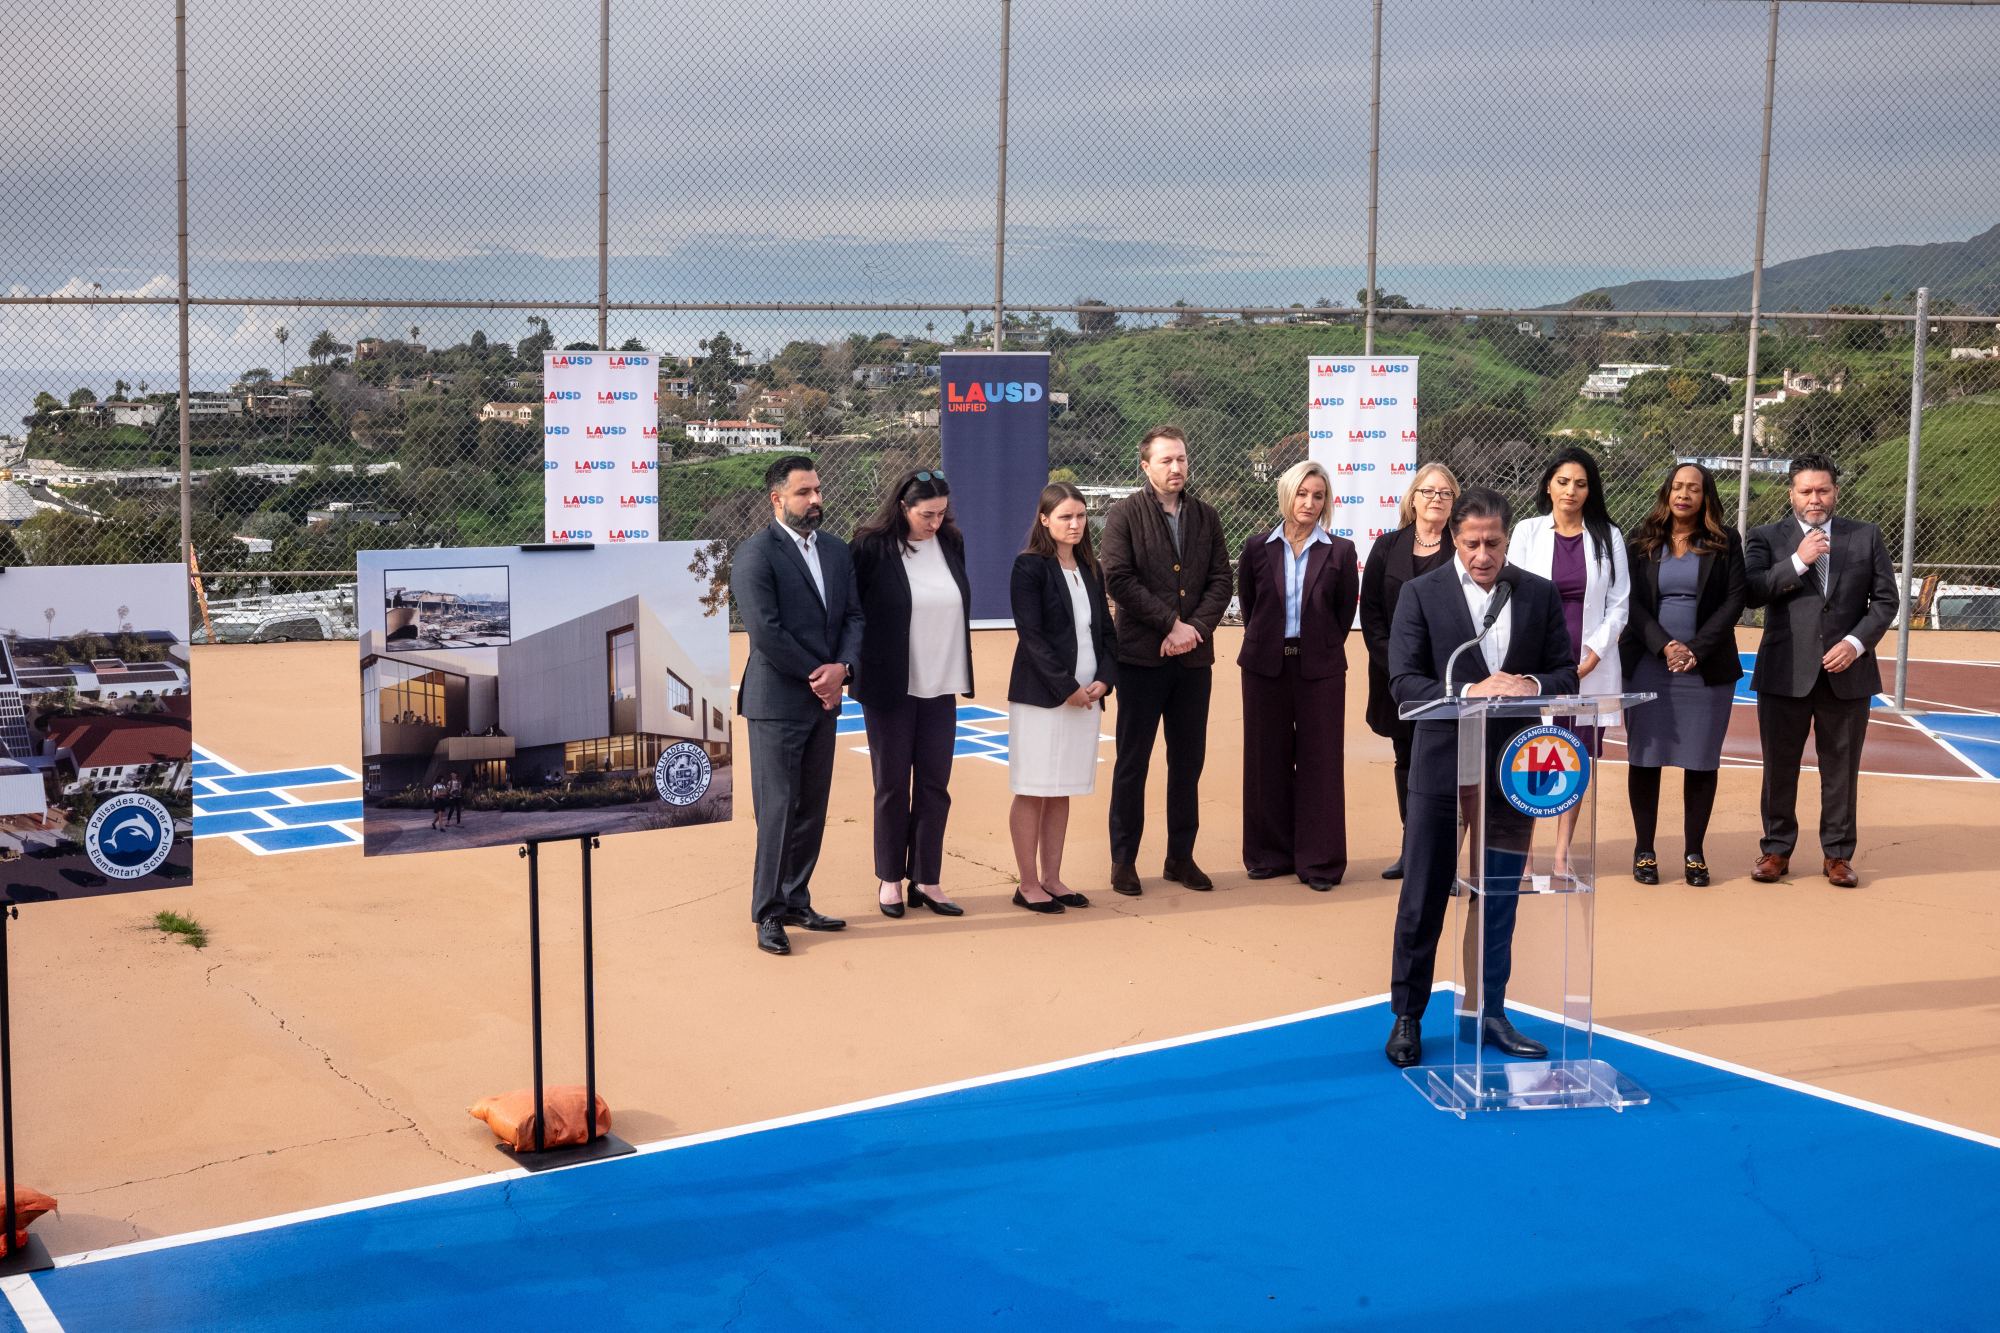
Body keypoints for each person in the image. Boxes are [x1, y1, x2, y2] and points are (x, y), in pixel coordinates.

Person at [1383, 488, 1580, 1069]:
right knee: (1422, 895)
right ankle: (1408, 1017)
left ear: (1507, 539)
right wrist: (1470, 690)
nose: (1482, 554)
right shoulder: (1421, 594)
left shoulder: (1537, 594)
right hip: (1443, 767)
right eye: (1471, 543)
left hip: (1512, 768)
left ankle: (1489, 1010)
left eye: (1493, 543)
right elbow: (1403, 682)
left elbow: (1564, 671)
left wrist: (1532, 687)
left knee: (1499, 894)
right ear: (1453, 540)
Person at [729, 454, 865, 955]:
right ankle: (767, 913)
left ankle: (796, 899)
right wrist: (820, 675)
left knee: (812, 808)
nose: (815, 501)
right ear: (777, 498)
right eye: (804, 492)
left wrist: (843, 669)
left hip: (824, 700)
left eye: (817, 491)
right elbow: (766, 632)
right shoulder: (755, 554)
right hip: (777, 702)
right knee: (778, 809)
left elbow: (854, 616)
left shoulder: (834, 551)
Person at [1744, 455, 1897, 889]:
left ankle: (1838, 856)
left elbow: (1885, 601)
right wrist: (1797, 560)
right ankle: (1775, 849)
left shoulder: (1865, 536)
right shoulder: (1766, 538)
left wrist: (1854, 643)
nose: (1815, 499)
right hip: (1784, 671)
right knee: (1779, 765)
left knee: (1841, 768)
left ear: (1836, 492)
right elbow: (1752, 592)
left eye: (1823, 490)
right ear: (1791, 493)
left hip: (1846, 673)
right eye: (1806, 491)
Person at [1098, 425, 1234, 896]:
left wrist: (1194, 629)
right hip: (1141, 660)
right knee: (1132, 762)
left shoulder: (1206, 516)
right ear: (1145, 466)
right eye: (1165, 461)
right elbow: (1117, 578)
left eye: (1181, 459)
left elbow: (1221, 579)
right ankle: (1124, 862)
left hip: (1193, 662)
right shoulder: (1124, 516)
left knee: (1187, 761)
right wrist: (1169, 625)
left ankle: (1181, 858)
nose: (1176, 468)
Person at [852, 469, 974, 920]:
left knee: (934, 784)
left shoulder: (952, 543)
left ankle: (927, 877)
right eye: (927, 514)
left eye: (942, 514)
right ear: (903, 507)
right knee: (890, 785)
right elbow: (853, 611)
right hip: (890, 687)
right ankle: (889, 879)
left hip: (942, 683)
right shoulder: (871, 546)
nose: (935, 523)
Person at [1620, 463, 1746, 886]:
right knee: (1645, 758)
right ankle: (1645, 851)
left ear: (1705, 496)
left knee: (1701, 761)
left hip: (1706, 670)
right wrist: (1664, 645)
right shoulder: (1641, 540)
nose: (1684, 494)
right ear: (1667, 492)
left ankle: (1695, 851)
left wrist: (1694, 649)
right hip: (1648, 667)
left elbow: (1734, 602)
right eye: (1677, 486)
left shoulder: (1726, 541)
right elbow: (1630, 602)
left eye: (1693, 488)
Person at [1236, 460, 1359, 891]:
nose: (1310, 503)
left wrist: (1315, 645)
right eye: (1302, 494)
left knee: (1321, 763)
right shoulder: (1256, 547)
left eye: (1318, 496)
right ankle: (1269, 855)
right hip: (1264, 666)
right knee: (1265, 758)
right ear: (1287, 495)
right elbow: (1251, 608)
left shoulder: (1341, 551)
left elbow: (1342, 613)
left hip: (1320, 669)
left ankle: (1320, 862)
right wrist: (1274, 643)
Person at [1510, 445, 1630, 877]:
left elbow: (1619, 602)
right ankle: (1523, 852)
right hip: (1538, 665)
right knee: (1531, 754)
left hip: (1588, 666)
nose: (1571, 491)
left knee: (1574, 758)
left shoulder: (1607, 536)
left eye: (1581, 484)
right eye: (1563, 482)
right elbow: (1513, 596)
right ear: (1548, 485)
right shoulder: (1527, 532)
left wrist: (1594, 654)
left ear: (1590, 490)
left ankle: (1561, 854)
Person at [1006, 483, 1119, 914]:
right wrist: (1066, 687)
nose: (1075, 524)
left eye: (1080, 516)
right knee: (1033, 788)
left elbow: (1106, 634)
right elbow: (1032, 638)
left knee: (1061, 790)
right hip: (1044, 699)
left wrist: (1104, 681)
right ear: (1045, 520)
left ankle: (1053, 878)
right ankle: (1028, 883)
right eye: (1065, 517)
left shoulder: (1091, 567)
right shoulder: (1029, 567)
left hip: (1086, 698)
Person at [1359, 462, 1459, 880]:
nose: (1436, 499)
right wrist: (1397, 665)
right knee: (1408, 762)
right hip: (1397, 679)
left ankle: (1448, 860)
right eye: (1428, 491)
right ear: (1413, 497)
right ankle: (1412, 850)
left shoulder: (1462, 549)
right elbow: (1372, 616)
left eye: (1445, 493)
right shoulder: (1386, 547)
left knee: (1450, 767)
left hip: (1450, 680)